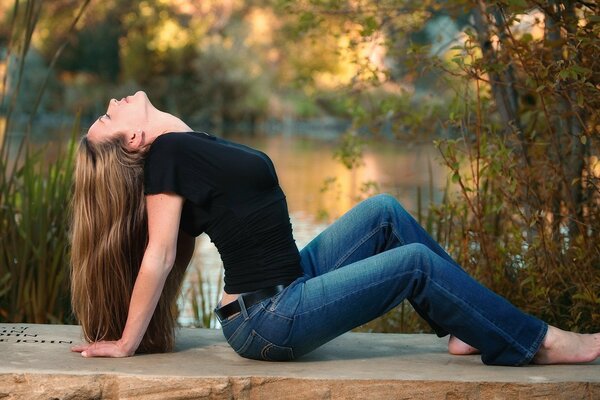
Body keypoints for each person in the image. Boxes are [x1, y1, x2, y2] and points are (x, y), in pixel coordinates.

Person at [70, 91, 600, 365]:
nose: (113, 104)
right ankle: (536, 343)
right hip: (266, 319)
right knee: (414, 266)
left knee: (386, 211)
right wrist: (124, 344)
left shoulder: (186, 144)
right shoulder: (166, 157)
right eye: (107, 117)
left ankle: (463, 329)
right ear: (134, 140)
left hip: (290, 285)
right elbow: (158, 255)